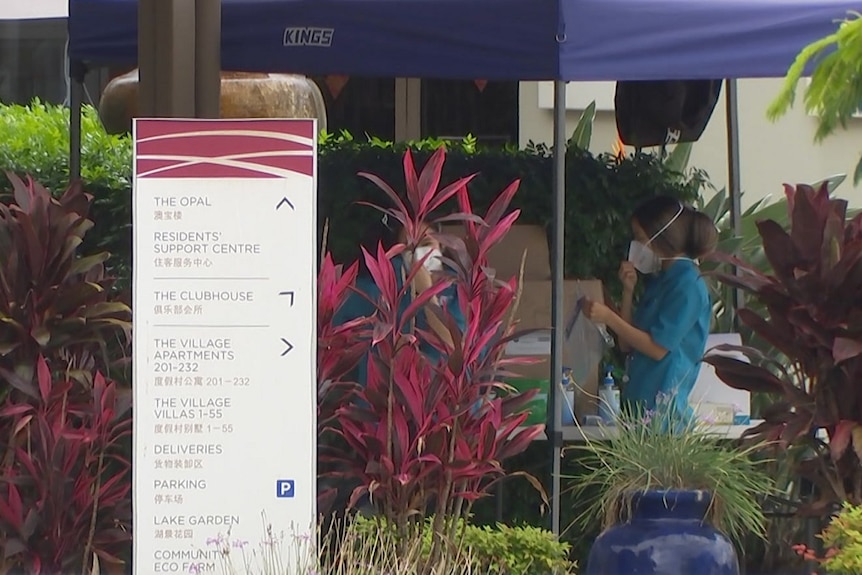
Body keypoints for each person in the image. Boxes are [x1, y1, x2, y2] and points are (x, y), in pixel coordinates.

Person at [582, 195, 717, 421]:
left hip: (664, 416)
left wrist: (609, 317)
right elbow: (627, 344)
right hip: (637, 409)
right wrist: (627, 292)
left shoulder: (688, 285)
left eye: (640, 237)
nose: (635, 246)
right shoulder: (660, 281)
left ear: (661, 237)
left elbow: (657, 348)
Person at [333, 214, 465, 385]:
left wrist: (425, 291)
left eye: (425, 244)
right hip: (386, 400)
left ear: (441, 245)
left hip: (443, 400)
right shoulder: (379, 288)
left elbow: (455, 345)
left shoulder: (459, 289)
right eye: (410, 249)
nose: (420, 256)